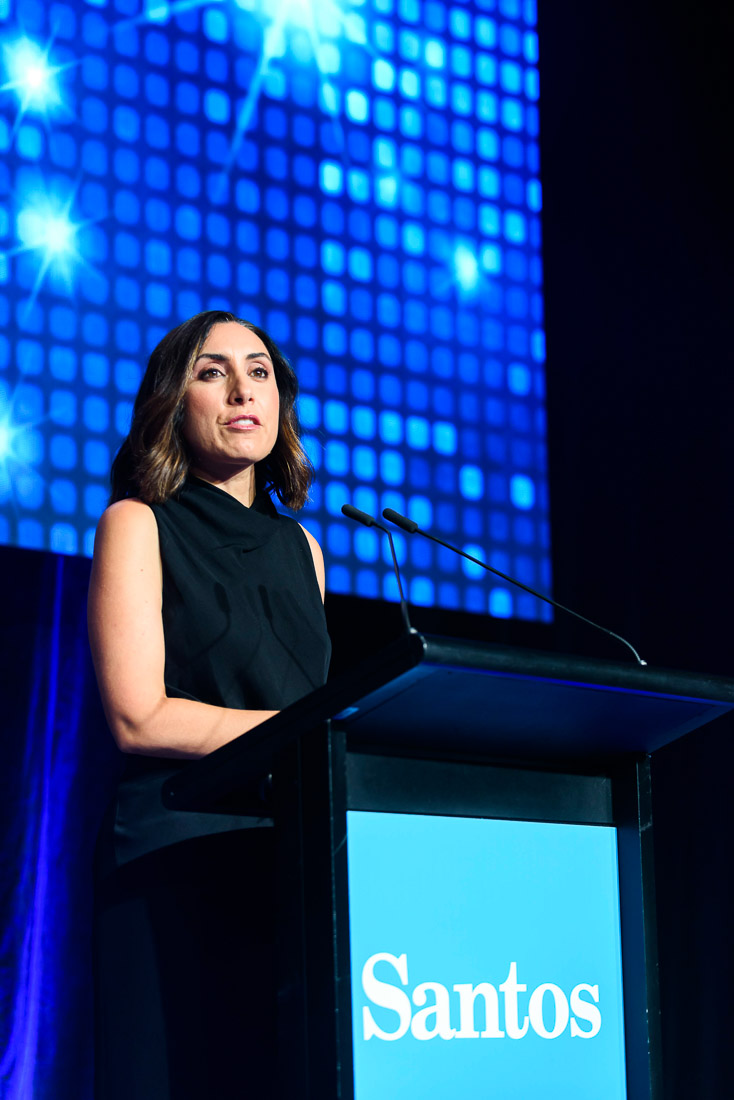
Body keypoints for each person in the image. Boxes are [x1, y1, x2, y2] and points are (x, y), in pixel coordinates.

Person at [88, 311, 331, 1100]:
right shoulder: (137, 524)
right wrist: (306, 732)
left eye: (259, 372)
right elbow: (139, 717)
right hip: (176, 858)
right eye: (211, 371)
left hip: (289, 859)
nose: (241, 390)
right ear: (173, 401)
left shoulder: (303, 549)